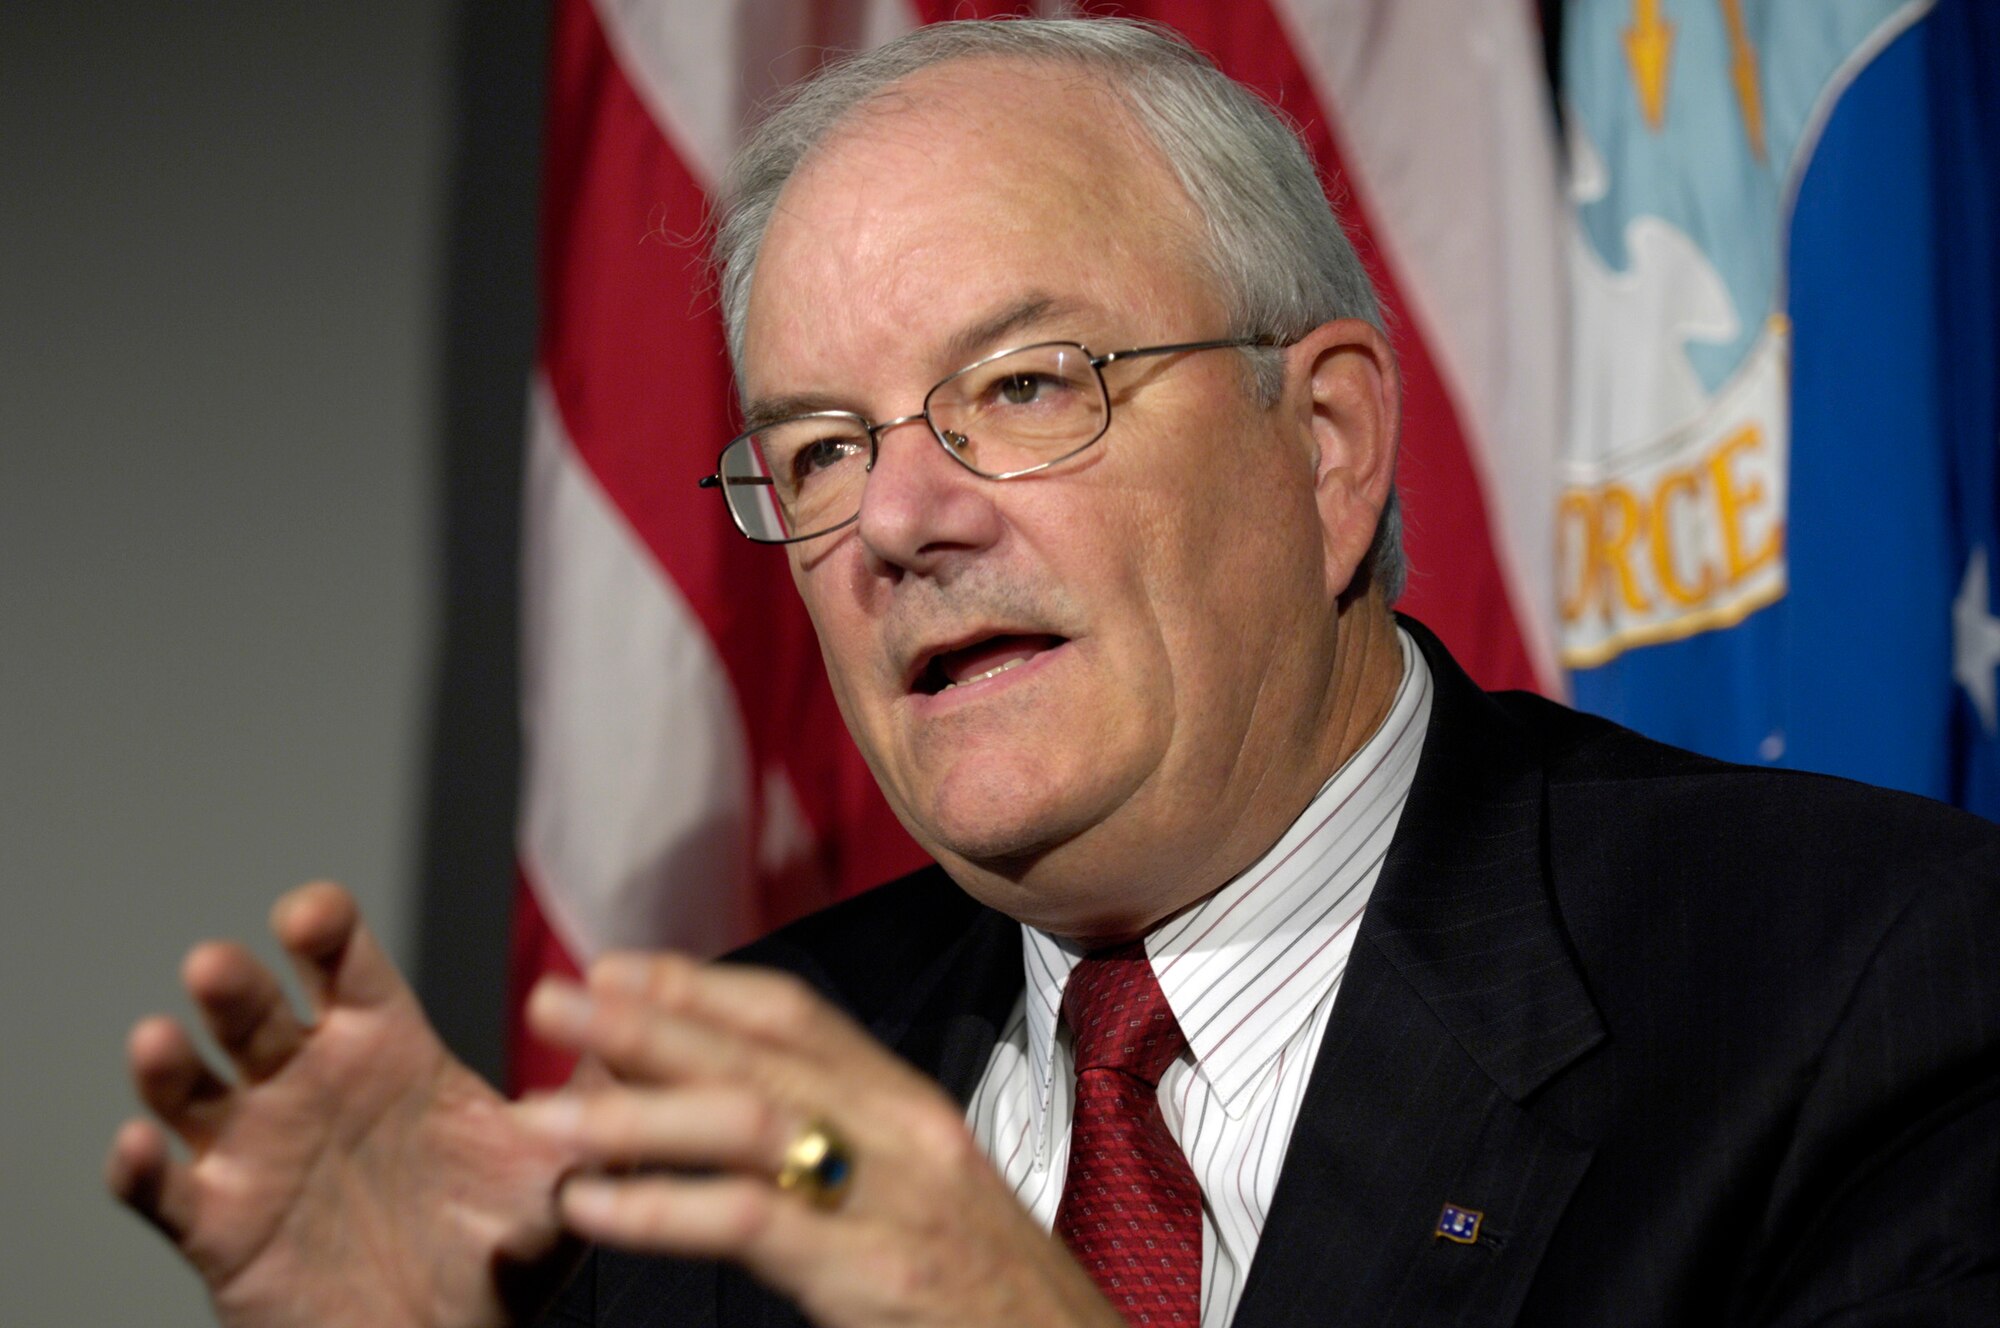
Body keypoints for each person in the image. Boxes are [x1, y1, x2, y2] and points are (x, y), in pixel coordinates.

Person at [106, 18, 2000, 1328]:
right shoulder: (729, 1115)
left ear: (1327, 445)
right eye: (822, 448)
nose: (896, 523)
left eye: (1026, 386)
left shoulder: (1860, 986)